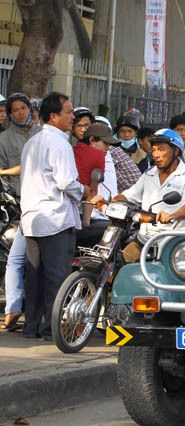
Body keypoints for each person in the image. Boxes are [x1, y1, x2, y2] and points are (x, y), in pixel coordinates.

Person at [19, 91, 89, 339]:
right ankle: (51, 329)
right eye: (69, 112)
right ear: (53, 116)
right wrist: (84, 190)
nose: (73, 117)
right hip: (55, 218)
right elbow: (67, 182)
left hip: (32, 219)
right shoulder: (60, 143)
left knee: (34, 277)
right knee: (56, 278)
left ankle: (31, 327)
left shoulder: (32, 142)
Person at [93, 129, 185, 263]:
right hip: (143, 240)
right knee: (119, 263)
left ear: (176, 151)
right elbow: (130, 195)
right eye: (154, 149)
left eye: (161, 149)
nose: (155, 154)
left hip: (171, 243)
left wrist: (172, 215)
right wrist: (107, 201)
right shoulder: (149, 173)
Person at [0, 92, 41, 332]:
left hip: (36, 205)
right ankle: (14, 308)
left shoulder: (41, 135)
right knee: (15, 259)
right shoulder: (4, 139)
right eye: (15, 110)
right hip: (16, 202)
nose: (20, 113)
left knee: (22, 260)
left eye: (23, 108)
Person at [71, 107, 104, 227]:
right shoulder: (67, 150)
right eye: (79, 126)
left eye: (86, 125)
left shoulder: (101, 152)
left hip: (94, 210)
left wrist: (86, 221)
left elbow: (92, 190)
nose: (83, 129)